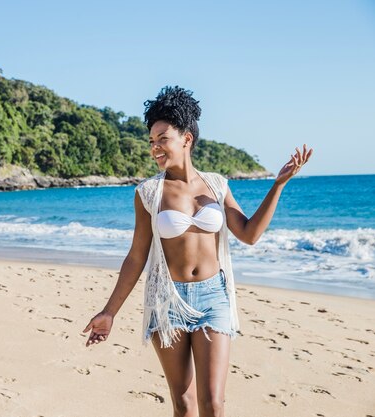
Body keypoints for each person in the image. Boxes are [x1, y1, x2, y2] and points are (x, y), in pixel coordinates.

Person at [83, 86, 312, 417]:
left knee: (213, 403)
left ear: (186, 139)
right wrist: (109, 312)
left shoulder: (217, 185)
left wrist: (277, 185)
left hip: (213, 297)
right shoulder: (148, 192)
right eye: (151, 141)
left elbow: (249, 234)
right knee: (185, 404)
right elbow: (136, 257)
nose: (155, 148)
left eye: (163, 138)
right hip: (167, 301)